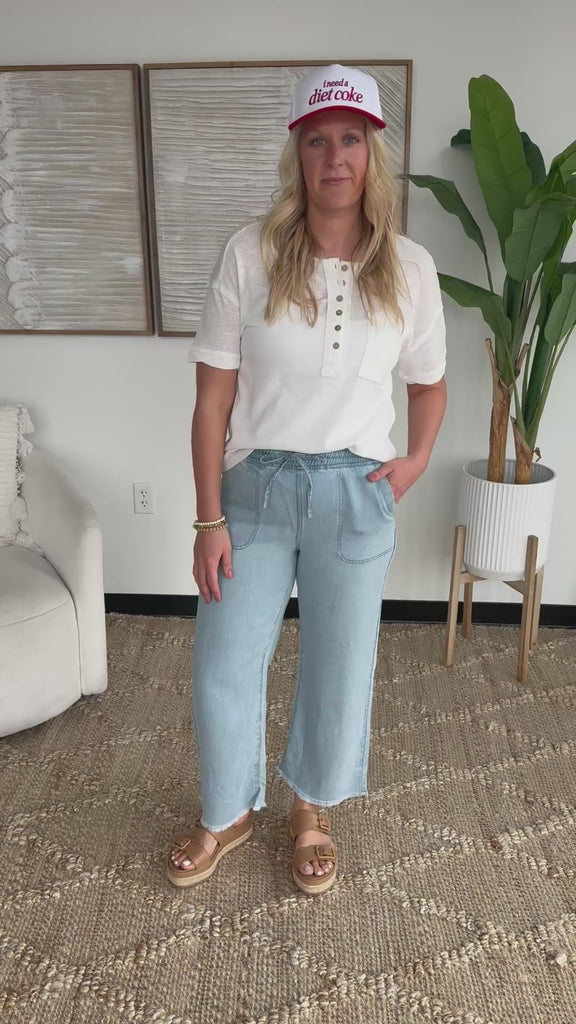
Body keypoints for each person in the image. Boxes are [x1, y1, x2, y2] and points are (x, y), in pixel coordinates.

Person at [166, 63, 447, 895]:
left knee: (339, 664)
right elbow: (212, 400)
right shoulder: (249, 254)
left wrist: (415, 460)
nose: (335, 157)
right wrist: (206, 519)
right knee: (222, 662)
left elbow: (429, 384)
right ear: (298, 152)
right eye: (318, 140)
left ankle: (310, 808)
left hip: (356, 494)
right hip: (253, 491)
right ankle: (228, 810)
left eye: (350, 139)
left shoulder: (410, 267)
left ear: (372, 152)